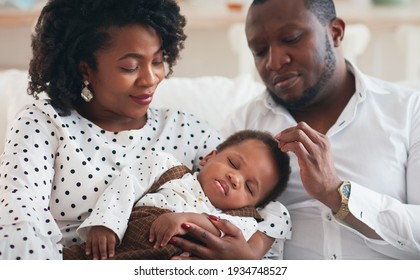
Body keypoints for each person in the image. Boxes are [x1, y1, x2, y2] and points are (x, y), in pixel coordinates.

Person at [170, 0, 420, 260]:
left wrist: (336, 195)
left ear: (335, 33)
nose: (274, 61)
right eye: (259, 50)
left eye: (291, 38)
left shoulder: (409, 111)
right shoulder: (241, 126)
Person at [63, 129, 291, 260]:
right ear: (210, 157)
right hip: (126, 244)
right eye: (233, 163)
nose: (235, 178)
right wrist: (107, 223)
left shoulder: (242, 220)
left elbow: (238, 231)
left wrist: (189, 219)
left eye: (249, 188)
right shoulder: (167, 167)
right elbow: (127, 185)